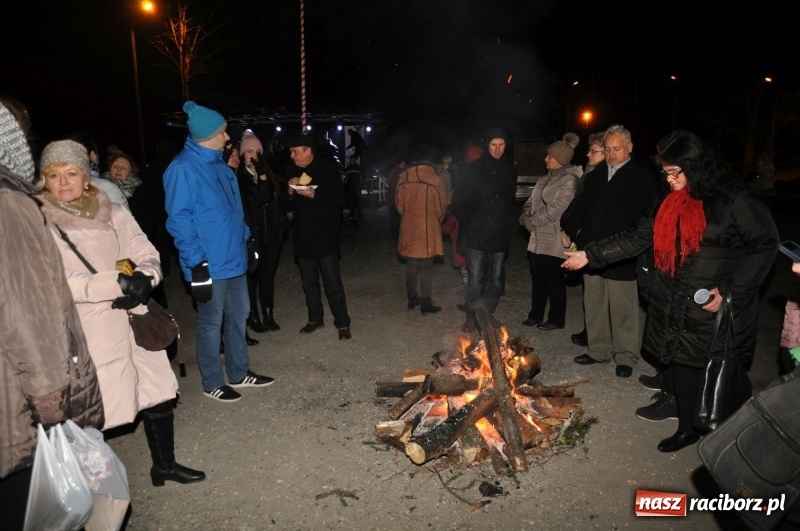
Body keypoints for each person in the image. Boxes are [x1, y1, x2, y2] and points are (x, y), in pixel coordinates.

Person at [562, 131, 779, 452]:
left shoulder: (733, 199)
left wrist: (732, 289)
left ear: (697, 166)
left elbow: (765, 244)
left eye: (676, 172)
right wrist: (590, 254)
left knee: (710, 367)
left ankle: (708, 428)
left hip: (710, 301)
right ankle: (684, 419)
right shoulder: (668, 199)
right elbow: (638, 236)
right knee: (678, 362)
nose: (670, 179)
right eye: (666, 173)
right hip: (672, 295)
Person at [38, 139, 206, 486]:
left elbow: (145, 249)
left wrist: (146, 278)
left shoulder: (112, 211)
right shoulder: (39, 225)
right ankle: (94, 492)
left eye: (72, 172)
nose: (64, 181)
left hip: (135, 319)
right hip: (89, 330)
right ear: (44, 180)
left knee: (156, 392)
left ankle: (164, 466)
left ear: (87, 177)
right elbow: (52, 281)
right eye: (55, 175)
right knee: (93, 413)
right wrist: (115, 285)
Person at [0, 101, 104, 530]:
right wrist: (51, 402)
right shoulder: (12, 204)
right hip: (21, 394)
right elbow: (26, 311)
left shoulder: (107, 204)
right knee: (33, 507)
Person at [164, 101, 274, 403]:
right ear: (209, 134)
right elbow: (180, 220)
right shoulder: (183, 168)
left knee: (239, 316)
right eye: (224, 132)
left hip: (234, 258)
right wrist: (195, 264)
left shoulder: (221, 166)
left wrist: (248, 240)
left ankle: (239, 373)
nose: (229, 138)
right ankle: (212, 381)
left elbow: (234, 211)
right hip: (209, 263)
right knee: (211, 324)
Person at [568, 124, 659, 378]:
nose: (611, 154)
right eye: (607, 149)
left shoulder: (641, 178)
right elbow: (580, 210)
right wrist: (579, 237)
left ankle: (625, 356)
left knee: (623, 308)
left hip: (622, 254)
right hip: (591, 252)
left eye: (616, 149)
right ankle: (598, 350)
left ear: (630, 148)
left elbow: (645, 221)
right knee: (593, 303)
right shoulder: (595, 176)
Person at [285, 134, 352, 339]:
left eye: (295, 151)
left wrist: (315, 195)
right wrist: (289, 190)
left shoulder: (327, 169)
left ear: (308, 151)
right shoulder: (292, 172)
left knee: (332, 282)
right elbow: (284, 207)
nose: (292, 156)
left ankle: (342, 322)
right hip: (303, 236)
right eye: (291, 152)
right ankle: (315, 318)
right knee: (309, 283)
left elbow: (340, 199)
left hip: (325, 235)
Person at [453, 128, 517, 332]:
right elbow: (460, 200)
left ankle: (487, 315)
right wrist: (470, 222)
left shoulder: (509, 170)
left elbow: (508, 203)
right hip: (477, 232)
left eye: (501, 145)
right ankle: (472, 316)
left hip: (498, 232)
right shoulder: (473, 169)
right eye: (493, 145)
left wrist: (505, 225)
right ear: (487, 146)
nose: (497, 149)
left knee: (495, 278)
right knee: (475, 277)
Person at [519, 133, 582, 330]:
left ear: (561, 160)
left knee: (553, 280)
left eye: (550, 157)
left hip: (554, 238)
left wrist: (533, 221)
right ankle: (535, 315)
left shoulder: (569, 180)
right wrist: (524, 215)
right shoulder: (544, 179)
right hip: (537, 238)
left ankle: (556, 319)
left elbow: (557, 209)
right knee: (538, 278)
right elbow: (530, 201)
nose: (546, 159)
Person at [236, 130, 282, 335]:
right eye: (249, 151)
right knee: (252, 278)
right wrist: (262, 175)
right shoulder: (240, 177)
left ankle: (269, 314)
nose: (254, 155)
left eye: (257, 151)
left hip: (271, 234)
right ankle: (253, 317)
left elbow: (275, 200)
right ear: (242, 154)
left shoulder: (269, 173)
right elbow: (258, 199)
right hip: (252, 235)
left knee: (268, 277)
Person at [562, 131, 606, 346]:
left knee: (599, 291)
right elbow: (579, 204)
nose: (588, 155)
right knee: (589, 289)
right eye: (588, 150)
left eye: (593, 151)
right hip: (585, 237)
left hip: (600, 241)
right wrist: (568, 225)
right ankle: (590, 328)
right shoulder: (590, 172)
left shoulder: (606, 177)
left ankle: (597, 334)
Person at [395, 147, 448, 314]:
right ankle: (426, 303)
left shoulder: (403, 178)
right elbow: (442, 207)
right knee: (426, 266)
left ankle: (412, 299)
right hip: (428, 227)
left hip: (410, 226)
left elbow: (399, 206)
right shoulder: (435, 180)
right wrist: (435, 219)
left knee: (411, 265)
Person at [68, 131, 130, 211]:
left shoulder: (140, 191)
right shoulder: (108, 189)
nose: (118, 169)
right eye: (115, 166)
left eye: (124, 167)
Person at [385, 158, 406, 240]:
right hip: (395, 199)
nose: (404, 166)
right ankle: (396, 235)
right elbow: (397, 187)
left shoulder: (393, 171)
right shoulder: (399, 172)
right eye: (404, 164)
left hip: (392, 198)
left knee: (394, 217)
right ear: (401, 163)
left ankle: (394, 234)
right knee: (396, 218)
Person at [344, 156, 362, 221]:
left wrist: (360, 185)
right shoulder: (347, 169)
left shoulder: (358, 168)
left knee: (359, 202)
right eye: (351, 160)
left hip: (357, 187)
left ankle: (360, 216)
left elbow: (361, 178)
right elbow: (345, 179)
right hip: (350, 188)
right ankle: (352, 215)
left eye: (353, 160)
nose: (352, 161)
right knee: (352, 202)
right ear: (350, 160)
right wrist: (346, 187)